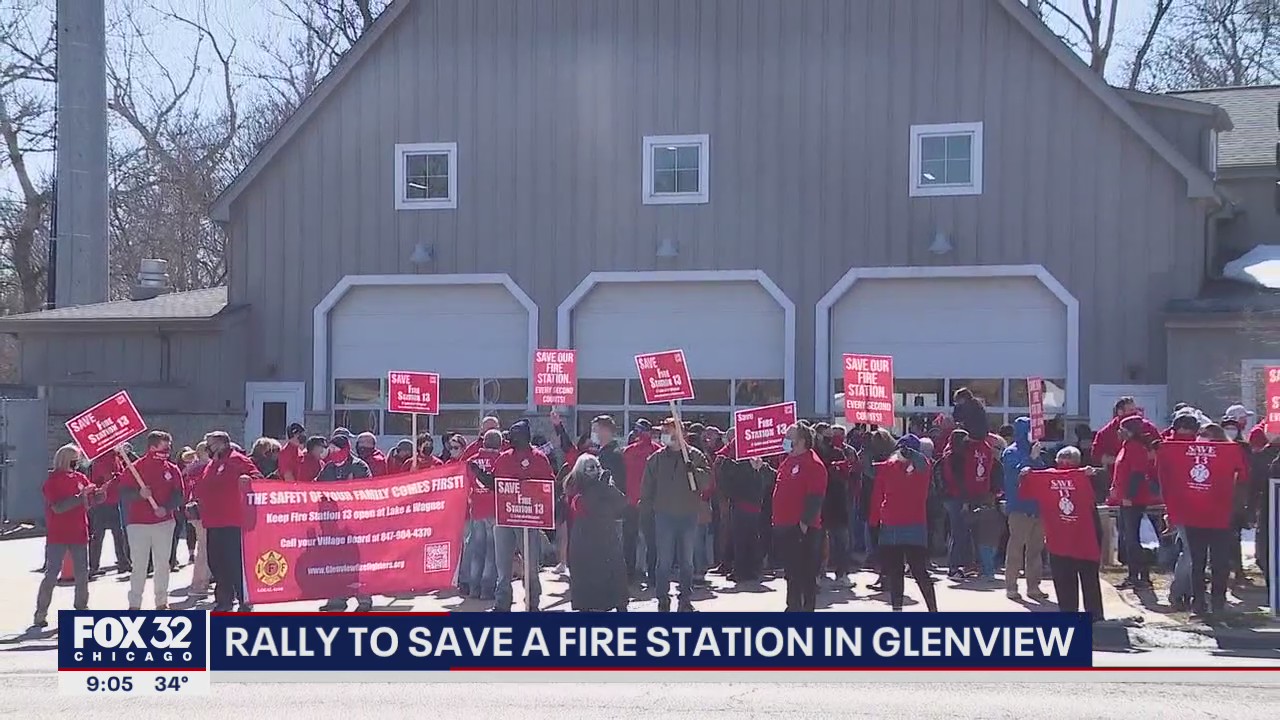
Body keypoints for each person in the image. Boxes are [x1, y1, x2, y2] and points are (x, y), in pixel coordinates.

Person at [1157, 425, 1248, 617]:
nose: (1202, 439)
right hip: (1194, 517)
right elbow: (1169, 467)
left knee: (1219, 563)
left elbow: (1243, 476)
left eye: (1207, 436)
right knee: (1197, 562)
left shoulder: (1229, 453)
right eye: (1200, 435)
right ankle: (1198, 603)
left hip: (1220, 517)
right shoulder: (1186, 454)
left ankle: (1218, 602)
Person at [469, 420, 556, 612]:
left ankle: (532, 602)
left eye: (515, 436)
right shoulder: (504, 458)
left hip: (528, 520)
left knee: (531, 565)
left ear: (524, 436)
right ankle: (502, 603)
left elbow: (550, 486)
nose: (510, 440)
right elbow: (493, 483)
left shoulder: (538, 458)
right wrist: (479, 474)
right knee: (503, 565)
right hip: (505, 517)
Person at [1021, 447, 1105, 621]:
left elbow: (1024, 490)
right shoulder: (1056, 477)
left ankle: (1082, 616)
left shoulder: (1083, 477)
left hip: (1066, 539)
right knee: (1084, 580)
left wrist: (1093, 475)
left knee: (1073, 581)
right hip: (1080, 540)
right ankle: (1092, 617)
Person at [639, 417, 712, 613]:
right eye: (663, 431)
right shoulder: (656, 459)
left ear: (681, 434)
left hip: (688, 515)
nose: (664, 435)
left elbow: (705, 483)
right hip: (664, 515)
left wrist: (693, 470)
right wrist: (645, 511)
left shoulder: (695, 456)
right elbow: (647, 488)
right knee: (663, 561)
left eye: (668, 431)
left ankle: (685, 599)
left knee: (687, 561)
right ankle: (663, 599)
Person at [868, 435, 938, 612]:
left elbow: (923, 462)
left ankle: (930, 610)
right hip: (897, 525)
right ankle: (900, 609)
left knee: (916, 571)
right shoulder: (891, 466)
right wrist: (874, 520)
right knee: (899, 571)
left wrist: (911, 453)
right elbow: (876, 489)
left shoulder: (920, 468)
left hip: (909, 525)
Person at [195, 431, 262, 612]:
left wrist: (248, 480)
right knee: (217, 563)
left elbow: (257, 478)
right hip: (213, 521)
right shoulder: (212, 465)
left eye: (210, 444)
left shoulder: (237, 460)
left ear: (222, 444)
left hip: (233, 521)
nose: (207, 447)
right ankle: (224, 601)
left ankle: (245, 601)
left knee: (235, 564)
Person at [32, 443, 93, 628]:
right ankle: (40, 613)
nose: (78, 462)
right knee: (52, 574)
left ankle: (81, 607)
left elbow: (89, 503)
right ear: (66, 459)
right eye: (75, 458)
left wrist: (98, 494)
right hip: (58, 533)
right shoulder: (52, 481)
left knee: (82, 573)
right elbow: (58, 507)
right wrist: (80, 497)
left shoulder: (81, 477)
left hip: (79, 531)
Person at [121, 431, 183, 611]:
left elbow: (179, 494)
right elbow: (123, 493)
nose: (167, 451)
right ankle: (134, 604)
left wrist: (167, 507)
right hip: (138, 524)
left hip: (164, 523)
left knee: (162, 564)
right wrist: (139, 494)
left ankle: (161, 602)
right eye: (164, 447)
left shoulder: (172, 469)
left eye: (169, 447)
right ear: (152, 447)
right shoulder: (135, 468)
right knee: (139, 565)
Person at [772, 422, 828, 612]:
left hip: (802, 528)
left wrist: (804, 523)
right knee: (791, 571)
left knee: (804, 573)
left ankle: (805, 609)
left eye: (790, 437)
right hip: (784, 524)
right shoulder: (788, 460)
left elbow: (815, 496)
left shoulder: (813, 464)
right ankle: (793, 607)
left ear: (802, 441)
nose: (785, 440)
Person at [316, 430, 372, 611]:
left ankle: (364, 600)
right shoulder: (328, 468)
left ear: (346, 449)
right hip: (333, 525)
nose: (333, 453)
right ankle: (337, 598)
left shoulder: (359, 466)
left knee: (357, 564)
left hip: (354, 525)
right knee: (335, 562)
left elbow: (368, 490)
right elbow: (314, 488)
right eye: (331, 449)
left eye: (336, 449)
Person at [566, 453, 629, 611]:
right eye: (589, 468)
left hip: (607, 533)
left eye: (596, 467)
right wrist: (600, 488)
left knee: (615, 570)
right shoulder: (575, 486)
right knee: (586, 574)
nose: (594, 470)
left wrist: (608, 487)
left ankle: (619, 604)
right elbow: (587, 505)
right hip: (584, 536)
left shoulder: (605, 484)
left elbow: (621, 503)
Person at [1108, 414, 1162, 590]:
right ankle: (1136, 576)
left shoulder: (1136, 448)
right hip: (1125, 498)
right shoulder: (1127, 446)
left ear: (1131, 432)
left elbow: (1137, 474)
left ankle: (1139, 576)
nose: (1119, 432)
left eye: (1122, 429)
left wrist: (1129, 496)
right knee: (1129, 538)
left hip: (1134, 500)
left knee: (1133, 539)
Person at [937, 428, 997, 579]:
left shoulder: (951, 454)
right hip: (957, 498)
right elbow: (960, 480)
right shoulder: (955, 456)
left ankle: (966, 565)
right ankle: (954, 567)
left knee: (963, 532)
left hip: (954, 497)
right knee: (959, 532)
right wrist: (965, 500)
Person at [1001, 417, 1047, 600]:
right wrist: (1031, 459)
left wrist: (1037, 458)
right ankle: (1011, 587)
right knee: (1016, 549)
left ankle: (1033, 586)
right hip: (1019, 508)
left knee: (1035, 550)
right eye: (1031, 430)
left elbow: (1042, 475)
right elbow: (1016, 475)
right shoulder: (1010, 452)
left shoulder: (1036, 452)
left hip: (1038, 508)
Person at [718, 451, 775, 584]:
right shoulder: (742, 465)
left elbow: (772, 478)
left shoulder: (750, 466)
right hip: (749, 507)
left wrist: (759, 468)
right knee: (747, 540)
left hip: (747, 507)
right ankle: (749, 570)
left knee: (744, 541)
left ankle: (744, 571)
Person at [461, 429, 502, 601]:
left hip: (477, 509)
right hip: (495, 510)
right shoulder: (501, 460)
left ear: (483, 442)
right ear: (499, 444)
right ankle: (487, 589)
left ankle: (474, 588)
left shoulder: (471, 461)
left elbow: (465, 484)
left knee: (477, 551)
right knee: (492, 552)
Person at [622, 419, 660, 587]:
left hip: (633, 501)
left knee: (630, 540)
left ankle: (630, 573)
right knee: (652, 542)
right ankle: (652, 576)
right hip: (649, 502)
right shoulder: (657, 451)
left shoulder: (628, 452)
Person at [88, 449, 130, 576]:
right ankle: (95, 566)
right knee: (102, 534)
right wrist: (118, 477)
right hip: (104, 501)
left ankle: (122, 562)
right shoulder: (103, 458)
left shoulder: (115, 457)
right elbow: (106, 477)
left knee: (117, 533)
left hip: (113, 499)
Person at [182, 442, 211, 596]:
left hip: (194, 510)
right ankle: (199, 584)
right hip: (203, 510)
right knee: (204, 549)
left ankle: (203, 581)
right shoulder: (204, 468)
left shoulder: (192, 468)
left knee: (203, 547)